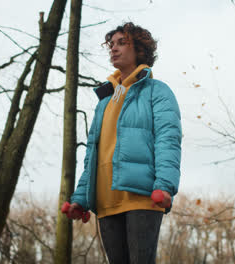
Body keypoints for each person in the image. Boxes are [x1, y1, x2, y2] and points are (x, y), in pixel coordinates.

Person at [64, 22, 182, 264]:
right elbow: (93, 156)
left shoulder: (157, 92)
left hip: (143, 196)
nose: (113, 49)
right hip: (106, 201)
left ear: (139, 49)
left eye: (121, 43)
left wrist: (165, 185)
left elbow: (168, 139)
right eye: (111, 44)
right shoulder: (104, 101)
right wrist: (80, 198)